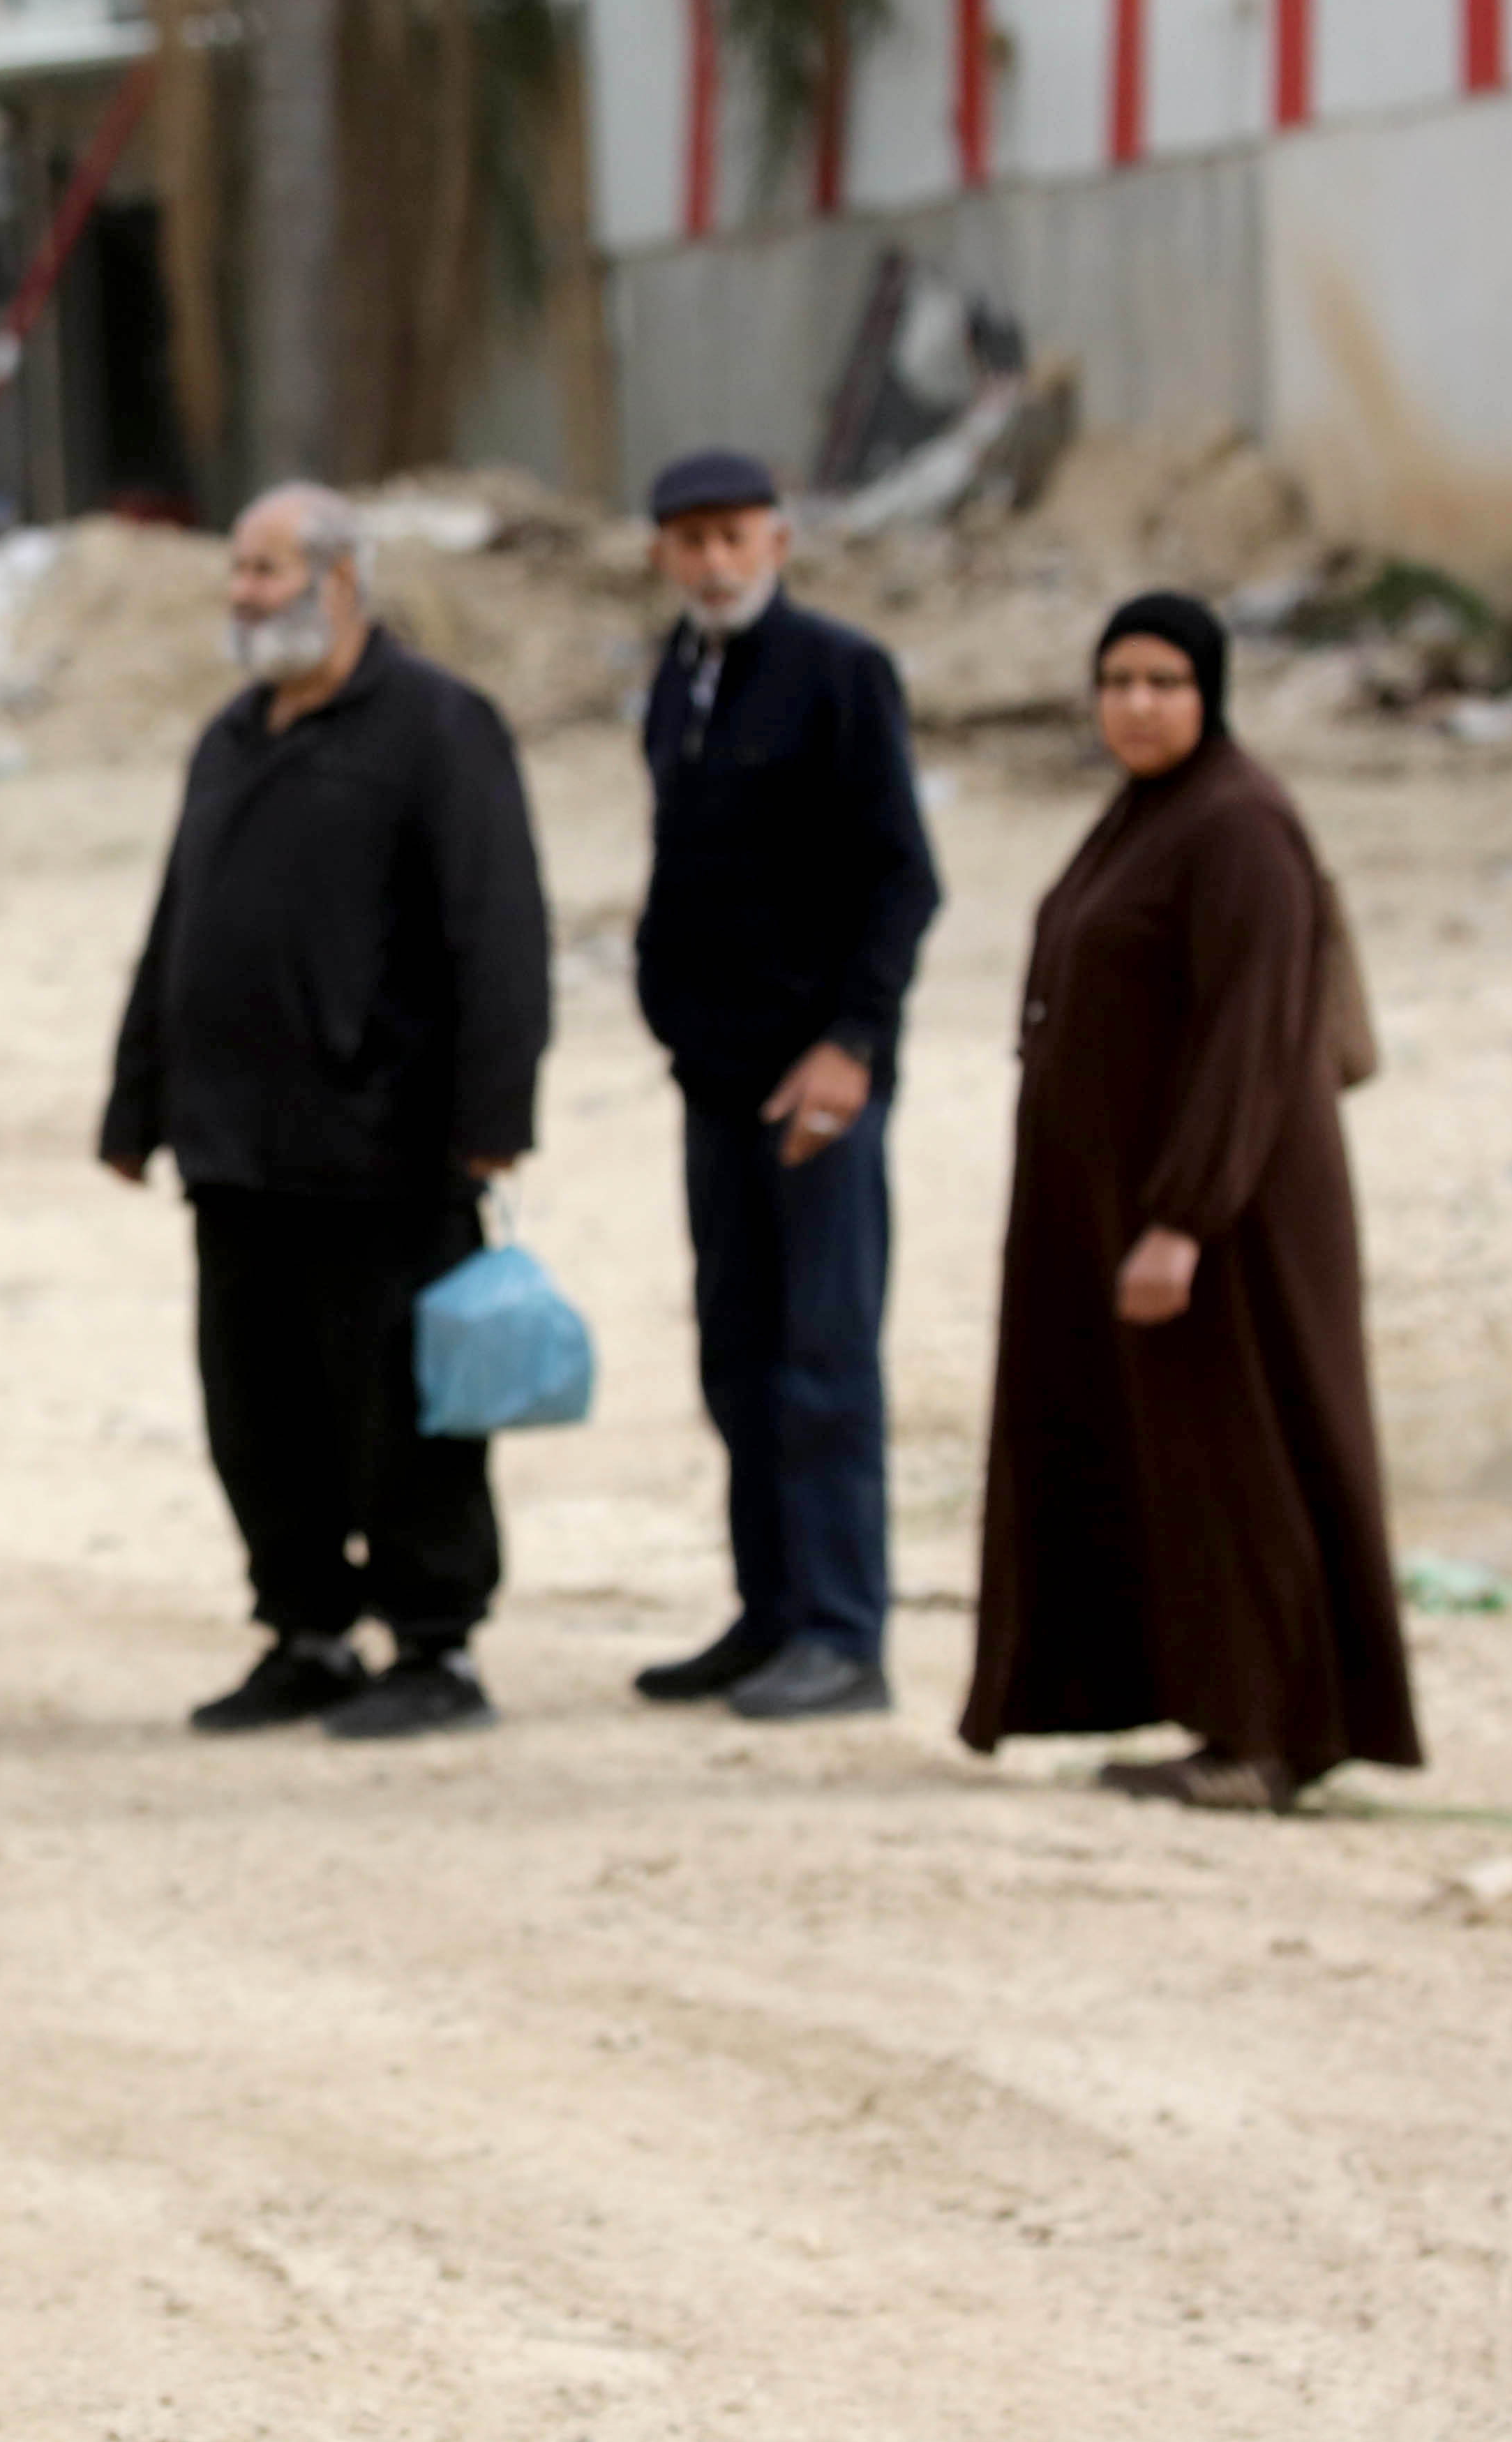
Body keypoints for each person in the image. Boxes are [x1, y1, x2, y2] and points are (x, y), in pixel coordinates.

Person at [100, 484, 554, 1740]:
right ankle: (306, 1631)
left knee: (401, 1413)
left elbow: (499, 929)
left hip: (387, 1148)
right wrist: (135, 1104)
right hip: (235, 1148)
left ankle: (436, 1646)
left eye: (267, 570)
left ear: (340, 582)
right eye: (239, 571)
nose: (244, 594)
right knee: (257, 1414)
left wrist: (495, 1111)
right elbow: (178, 924)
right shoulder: (231, 734)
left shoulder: (439, 725)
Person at [961, 594, 1419, 1810]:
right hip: (1141, 1201)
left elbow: (1252, 1039)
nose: (1137, 705)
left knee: (1242, 1455)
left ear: (1209, 694)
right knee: (1176, 1455)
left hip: (1228, 1219)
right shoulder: (1152, 816)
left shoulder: (1239, 826)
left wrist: (1183, 1219)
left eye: (1164, 683)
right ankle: (1224, 1719)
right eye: (1117, 682)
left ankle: (1269, 1736)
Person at [624, 449, 943, 1724]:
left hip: (817, 1080)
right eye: (691, 539)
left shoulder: (839, 673)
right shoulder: (679, 676)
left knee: (824, 1359)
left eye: (734, 537)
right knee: (737, 1354)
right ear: (662, 552)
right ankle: (769, 1614)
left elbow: (902, 877)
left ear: (778, 541)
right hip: (716, 1077)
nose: (714, 562)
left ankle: (843, 1631)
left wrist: (853, 1044)